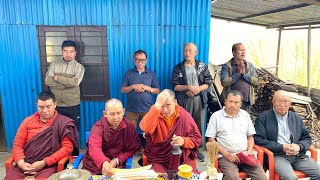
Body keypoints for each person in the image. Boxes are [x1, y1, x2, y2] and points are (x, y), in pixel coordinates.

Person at [4, 91, 79, 180]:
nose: (45, 111)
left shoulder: (63, 123)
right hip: (24, 165)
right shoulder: (27, 121)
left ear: (55, 104)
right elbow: (17, 144)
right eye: (41, 107)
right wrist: (21, 163)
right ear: (37, 106)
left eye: (48, 106)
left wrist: (44, 162)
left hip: (48, 166)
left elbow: (67, 148)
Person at [254, 90, 320, 179]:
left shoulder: (296, 118)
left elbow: (307, 138)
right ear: (273, 102)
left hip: (297, 155)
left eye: (285, 101)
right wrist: (282, 147)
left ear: (290, 103)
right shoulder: (263, 117)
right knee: (290, 178)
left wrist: (299, 147)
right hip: (276, 155)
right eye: (279, 101)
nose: (282, 104)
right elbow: (259, 140)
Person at [206, 90, 267, 180]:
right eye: (230, 101)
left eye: (236, 102)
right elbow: (211, 139)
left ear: (240, 104)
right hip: (226, 157)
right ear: (225, 101)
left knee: (262, 178)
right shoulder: (216, 116)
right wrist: (226, 154)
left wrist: (249, 151)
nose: (233, 105)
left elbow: (250, 137)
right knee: (232, 178)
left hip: (244, 155)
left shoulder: (245, 115)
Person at [139, 89, 202, 173]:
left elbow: (196, 138)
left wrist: (184, 141)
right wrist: (157, 106)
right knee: (157, 177)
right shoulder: (155, 113)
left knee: (187, 176)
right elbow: (144, 128)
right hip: (159, 159)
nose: (165, 110)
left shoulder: (184, 116)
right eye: (162, 106)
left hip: (181, 159)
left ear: (175, 102)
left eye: (168, 105)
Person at [170, 42, 213, 162]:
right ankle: (184, 148)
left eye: (190, 50)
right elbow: (175, 86)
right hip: (184, 101)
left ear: (196, 52)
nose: (187, 53)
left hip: (198, 100)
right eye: (185, 51)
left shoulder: (201, 66)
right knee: (184, 124)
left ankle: (197, 149)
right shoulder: (178, 67)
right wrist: (188, 87)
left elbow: (208, 82)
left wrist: (197, 89)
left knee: (198, 124)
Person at [82, 98, 140, 176]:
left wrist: (116, 160)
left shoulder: (128, 126)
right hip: (95, 165)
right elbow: (94, 147)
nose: (116, 117)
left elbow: (132, 148)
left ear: (123, 111)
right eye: (112, 114)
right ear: (105, 114)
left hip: (117, 166)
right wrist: (103, 162)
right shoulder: (98, 127)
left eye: (119, 113)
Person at [45, 40, 85, 130]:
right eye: (65, 51)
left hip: (72, 104)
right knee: (56, 130)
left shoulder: (79, 67)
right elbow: (48, 81)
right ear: (62, 52)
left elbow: (75, 83)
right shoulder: (54, 64)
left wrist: (58, 78)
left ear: (75, 53)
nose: (68, 54)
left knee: (73, 130)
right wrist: (67, 85)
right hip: (56, 104)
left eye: (71, 51)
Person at [121, 49, 160, 128]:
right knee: (130, 134)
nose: (140, 63)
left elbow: (157, 90)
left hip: (147, 109)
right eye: (137, 60)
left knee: (148, 133)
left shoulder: (151, 74)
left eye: (142, 60)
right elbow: (122, 90)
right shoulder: (129, 73)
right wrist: (133, 86)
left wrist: (147, 88)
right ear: (134, 60)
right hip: (132, 109)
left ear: (146, 60)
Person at [220, 43, 258, 113]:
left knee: (243, 122)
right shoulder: (227, 66)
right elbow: (224, 82)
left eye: (244, 50)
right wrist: (237, 74)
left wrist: (244, 74)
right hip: (231, 102)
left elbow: (256, 81)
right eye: (240, 50)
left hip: (246, 102)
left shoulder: (249, 65)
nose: (243, 52)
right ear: (233, 53)